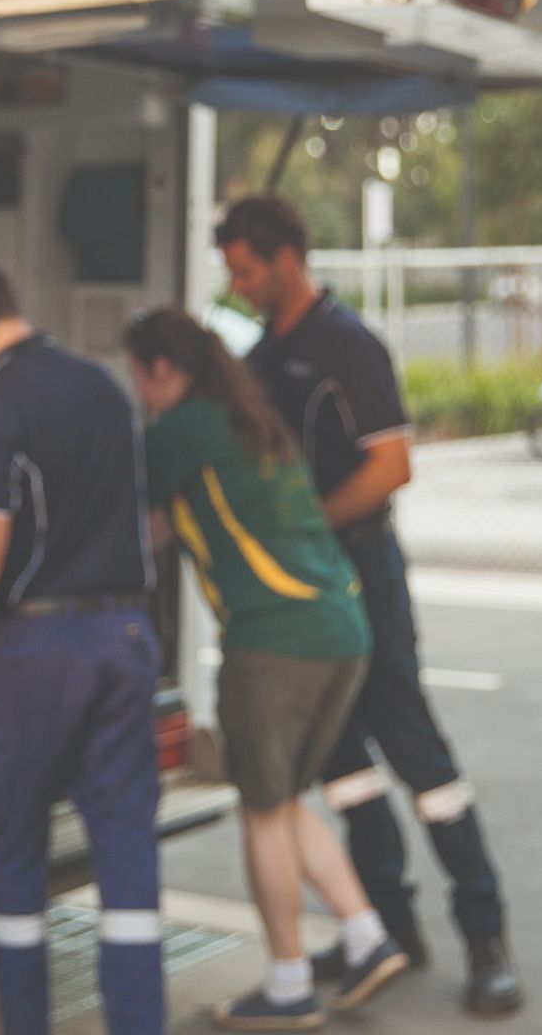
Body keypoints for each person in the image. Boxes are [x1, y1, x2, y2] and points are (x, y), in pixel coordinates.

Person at [218, 195, 523, 1015]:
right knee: (344, 767)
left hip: (362, 573)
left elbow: (391, 466)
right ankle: (389, 931)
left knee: (419, 757)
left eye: (246, 268)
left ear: (286, 257)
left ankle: (487, 938)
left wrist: (308, 529)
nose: (238, 284)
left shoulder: (346, 345)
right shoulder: (260, 355)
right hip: (308, 596)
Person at [0, 251, 164, 1035]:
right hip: (125, 634)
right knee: (126, 854)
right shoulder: (101, 386)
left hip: (39, 651)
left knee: (17, 852)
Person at [125, 307, 409, 1030]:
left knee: (260, 810)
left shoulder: (181, 430)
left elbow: (131, 517)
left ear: (161, 369)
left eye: (138, 376)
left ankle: (287, 984)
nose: (138, 391)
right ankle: (366, 935)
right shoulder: (250, 419)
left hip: (275, 640)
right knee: (281, 800)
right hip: (341, 626)